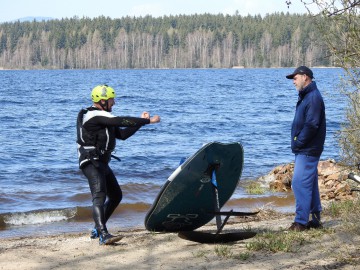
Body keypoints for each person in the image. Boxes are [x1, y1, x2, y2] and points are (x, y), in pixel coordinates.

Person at [76, 84, 160, 245]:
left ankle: (97, 229)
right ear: (102, 101)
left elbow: (121, 134)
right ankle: (103, 234)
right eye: (111, 100)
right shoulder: (93, 115)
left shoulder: (105, 117)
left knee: (116, 196)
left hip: (101, 162)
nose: (114, 103)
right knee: (99, 196)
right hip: (91, 162)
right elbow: (120, 120)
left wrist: (139, 123)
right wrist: (147, 120)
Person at [285, 66, 326, 231]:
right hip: (306, 148)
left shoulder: (313, 97)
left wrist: (298, 142)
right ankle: (315, 220)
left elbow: (312, 124)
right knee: (310, 184)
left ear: (305, 77)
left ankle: (301, 222)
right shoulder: (307, 96)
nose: (293, 81)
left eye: (295, 78)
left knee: (299, 183)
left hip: (308, 149)